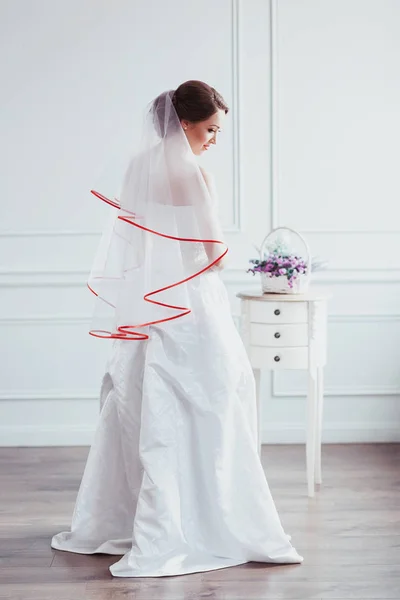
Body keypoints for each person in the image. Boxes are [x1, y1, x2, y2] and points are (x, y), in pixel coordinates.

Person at [51, 80, 303, 577]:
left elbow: (133, 245)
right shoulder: (196, 176)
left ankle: (139, 520)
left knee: (147, 408)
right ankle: (210, 521)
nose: (213, 139)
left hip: (148, 308)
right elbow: (215, 256)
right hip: (190, 306)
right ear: (184, 122)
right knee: (215, 402)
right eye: (210, 129)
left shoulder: (136, 167)